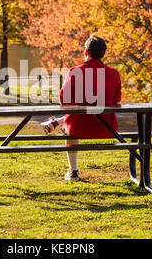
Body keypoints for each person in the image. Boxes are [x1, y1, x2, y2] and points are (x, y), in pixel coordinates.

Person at [40, 35, 122, 182]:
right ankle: (58, 122)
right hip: (107, 129)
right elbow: (116, 101)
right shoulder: (114, 74)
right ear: (103, 53)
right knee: (74, 118)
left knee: (71, 121)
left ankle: (73, 171)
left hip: (78, 128)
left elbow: (63, 102)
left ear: (85, 52)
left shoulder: (74, 72)